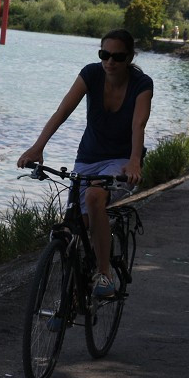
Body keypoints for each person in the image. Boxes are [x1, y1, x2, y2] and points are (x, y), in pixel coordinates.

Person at [17, 29, 153, 297]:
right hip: (87, 158)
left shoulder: (142, 83)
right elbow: (63, 110)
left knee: (93, 198)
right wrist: (38, 147)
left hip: (122, 160)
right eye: (104, 55)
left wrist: (135, 161)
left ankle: (104, 274)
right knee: (72, 225)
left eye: (117, 56)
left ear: (130, 57)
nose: (110, 62)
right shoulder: (91, 74)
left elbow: (139, 124)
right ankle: (69, 300)